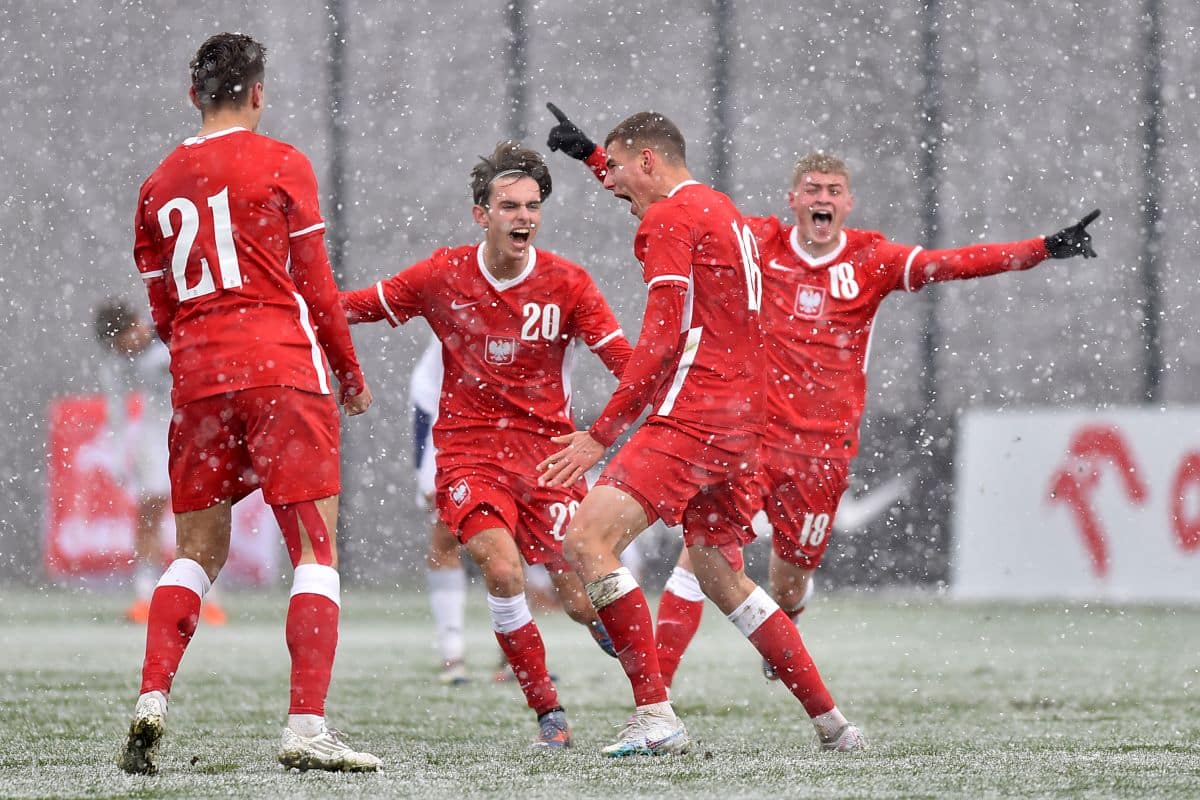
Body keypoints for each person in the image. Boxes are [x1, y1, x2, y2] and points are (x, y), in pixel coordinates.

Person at [546, 105, 1101, 686]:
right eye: (812, 188)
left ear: (847, 203)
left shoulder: (871, 259)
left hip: (822, 453)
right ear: (792, 199)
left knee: (787, 584)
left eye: (834, 190)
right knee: (701, 555)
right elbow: (665, 201)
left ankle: (780, 630)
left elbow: (952, 264)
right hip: (752, 434)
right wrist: (595, 158)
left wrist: (1043, 247)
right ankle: (658, 691)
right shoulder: (758, 239)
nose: (823, 198)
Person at [538, 111, 863, 757]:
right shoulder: (718, 207)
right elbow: (649, 188)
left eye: (621, 171)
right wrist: (593, 157)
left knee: (587, 539)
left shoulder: (667, 220)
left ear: (650, 163)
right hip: (747, 419)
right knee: (719, 572)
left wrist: (602, 433)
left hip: (696, 414)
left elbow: (661, 333)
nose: (614, 188)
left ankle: (656, 715)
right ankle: (834, 725)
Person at [119, 32, 379, 775]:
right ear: (258, 93)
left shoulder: (159, 182)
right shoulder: (283, 162)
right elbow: (318, 285)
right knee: (316, 550)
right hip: (281, 369)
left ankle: (152, 697)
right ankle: (305, 726)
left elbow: (162, 307)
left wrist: (197, 351)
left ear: (191, 94)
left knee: (197, 551)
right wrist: (349, 371)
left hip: (199, 379)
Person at [340, 141, 631, 749]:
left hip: (549, 458)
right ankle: (548, 712)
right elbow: (355, 307)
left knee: (580, 600)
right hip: (471, 454)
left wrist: (609, 428)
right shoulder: (441, 275)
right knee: (502, 571)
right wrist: (284, 301)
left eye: (532, 206)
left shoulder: (570, 285)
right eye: (509, 206)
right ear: (482, 214)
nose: (523, 216)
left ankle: (639, 677)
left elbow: (629, 365)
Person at [94, 300, 228, 627]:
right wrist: (116, 454)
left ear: (136, 326)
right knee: (150, 507)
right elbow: (116, 411)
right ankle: (144, 595)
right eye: (116, 346)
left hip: (196, 426)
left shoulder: (170, 332)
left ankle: (209, 598)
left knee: (202, 512)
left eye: (123, 340)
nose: (123, 349)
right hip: (156, 428)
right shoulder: (116, 363)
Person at [409, 334, 473, 686]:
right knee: (446, 530)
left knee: (515, 533)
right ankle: (452, 652)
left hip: (505, 418)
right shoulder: (462, 292)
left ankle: (516, 657)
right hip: (444, 411)